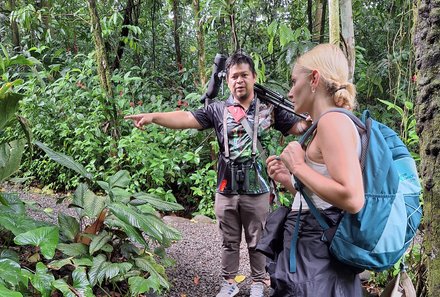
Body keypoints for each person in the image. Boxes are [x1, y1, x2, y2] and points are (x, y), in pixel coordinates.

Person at [125, 51, 308, 297]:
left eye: (244, 75)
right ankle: (228, 282)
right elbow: (186, 117)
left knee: (257, 239)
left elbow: (297, 127)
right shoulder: (218, 109)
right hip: (226, 185)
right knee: (228, 239)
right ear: (228, 80)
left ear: (253, 77)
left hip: (258, 187)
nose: (239, 80)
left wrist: (312, 117)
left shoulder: (269, 108)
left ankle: (257, 281)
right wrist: (153, 117)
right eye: (234, 76)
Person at [263, 43, 365, 296]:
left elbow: (352, 198)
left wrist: (298, 165)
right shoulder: (328, 123)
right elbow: (324, 198)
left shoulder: (333, 121)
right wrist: (290, 179)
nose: (289, 92)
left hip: (316, 251)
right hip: (314, 248)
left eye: (294, 81)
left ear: (314, 79)